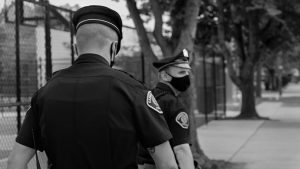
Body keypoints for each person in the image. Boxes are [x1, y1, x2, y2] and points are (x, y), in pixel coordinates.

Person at [7, 5, 178, 169]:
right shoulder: (133, 90)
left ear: (76, 48)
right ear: (114, 48)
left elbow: (15, 162)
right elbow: (168, 164)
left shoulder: (44, 93)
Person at [138, 49, 196, 169]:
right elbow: (181, 150)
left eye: (187, 73)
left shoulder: (148, 97)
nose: (186, 77)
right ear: (164, 76)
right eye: (181, 73)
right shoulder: (174, 105)